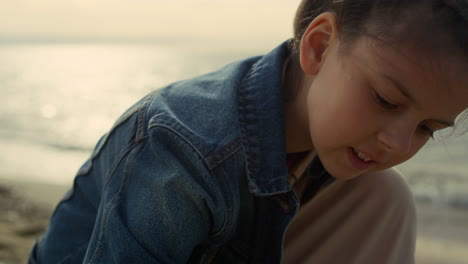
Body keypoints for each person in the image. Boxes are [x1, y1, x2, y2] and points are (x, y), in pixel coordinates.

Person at [29, 0, 468, 263]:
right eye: (386, 100)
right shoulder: (183, 149)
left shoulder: (329, 137)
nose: (398, 142)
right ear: (320, 47)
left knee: (384, 196)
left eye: (427, 128)